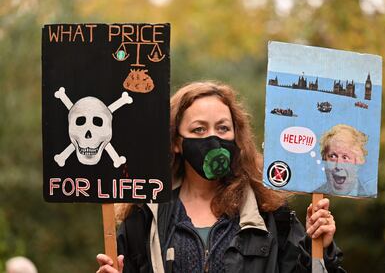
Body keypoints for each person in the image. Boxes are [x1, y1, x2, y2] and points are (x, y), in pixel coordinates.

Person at [97, 81, 345, 273]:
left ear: (236, 136)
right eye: (199, 129)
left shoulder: (270, 214)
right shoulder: (143, 218)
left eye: (223, 128)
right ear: (175, 142)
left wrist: (322, 251)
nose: (213, 138)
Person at [317, 124, 368, 196]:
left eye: (345, 157)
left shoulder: (369, 199)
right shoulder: (314, 196)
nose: (338, 166)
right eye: (333, 156)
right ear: (324, 160)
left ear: (357, 162)